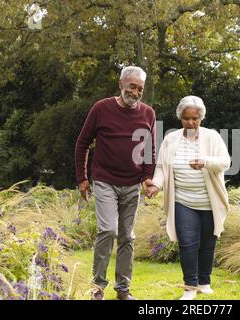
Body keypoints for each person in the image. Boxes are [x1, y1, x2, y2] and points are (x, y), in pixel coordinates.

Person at [75, 66, 156, 300]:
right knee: (108, 229)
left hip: (132, 183)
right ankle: (97, 288)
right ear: (120, 84)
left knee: (127, 236)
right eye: (132, 87)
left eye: (140, 89)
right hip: (105, 180)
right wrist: (82, 178)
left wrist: (147, 177)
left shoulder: (148, 113)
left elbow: (150, 149)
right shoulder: (101, 108)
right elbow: (82, 143)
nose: (136, 92)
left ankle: (123, 290)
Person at [145, 95, 231, 300]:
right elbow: (162, 168)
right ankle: (190, 287)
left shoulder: (212, 137)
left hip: (209, 201)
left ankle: (204, 282)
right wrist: (156, 185)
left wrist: (205, 161)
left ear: (201, 117)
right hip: (182, 200)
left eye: (195, 118)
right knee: (187, 242)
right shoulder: (171, 139)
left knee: (208, 243)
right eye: (186, 118)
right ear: (180, 118)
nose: (191, 122)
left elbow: (225, 161)